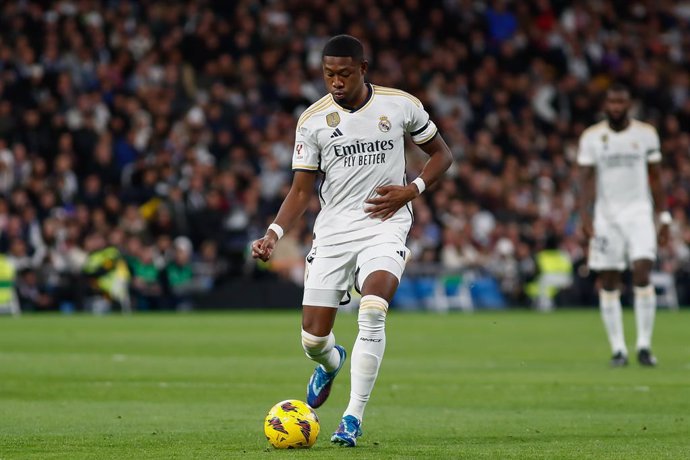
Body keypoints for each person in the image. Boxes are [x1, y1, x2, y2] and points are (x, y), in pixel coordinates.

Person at [252, 35, 452, 446]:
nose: (336, 82)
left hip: (386, 222)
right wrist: (273, 233)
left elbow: (442, 154)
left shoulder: (400, 105)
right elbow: (302, 191)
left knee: (374, 308)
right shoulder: (312, 120)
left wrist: (411, 189)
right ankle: (330, 361)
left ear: (363, 68)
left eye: (344, 73)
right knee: (312, 338)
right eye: (329, 74)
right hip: (334, 231)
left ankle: (352, 418)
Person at [578, 83, 670, 367]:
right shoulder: (592, 137)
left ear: (629, 105)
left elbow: (655, 177)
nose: (616, 107)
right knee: (608, 281)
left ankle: (643, 345)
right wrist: (585, 215)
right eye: (611, 102)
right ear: (605, 105)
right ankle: (619, 349)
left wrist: (663, 216)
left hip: (640, 213)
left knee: (642, 272)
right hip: (606, 217)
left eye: (621, 102)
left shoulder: (645, 134)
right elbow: (586, 179)